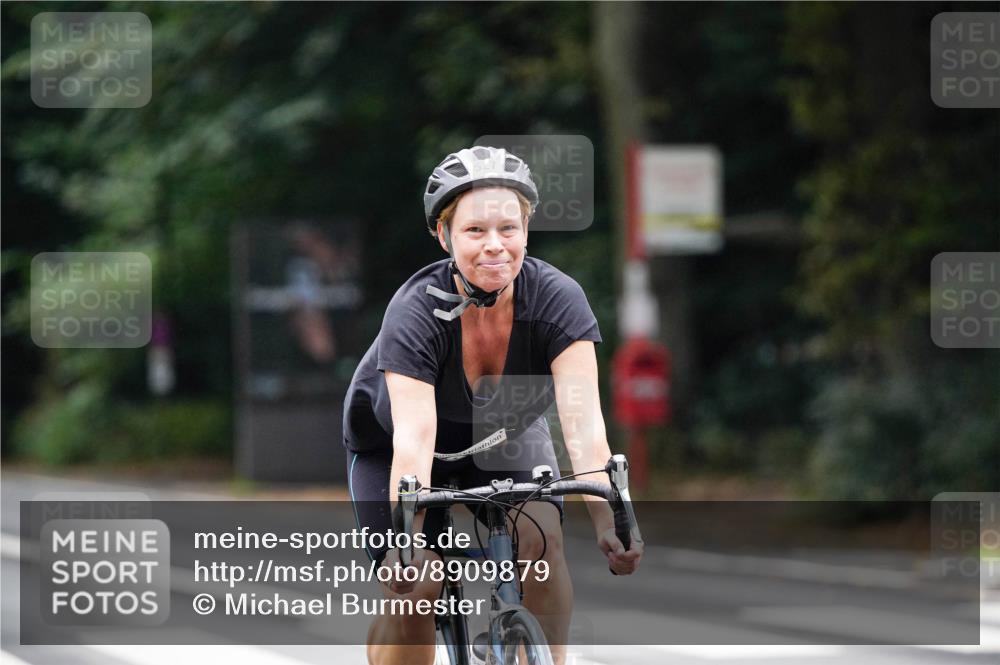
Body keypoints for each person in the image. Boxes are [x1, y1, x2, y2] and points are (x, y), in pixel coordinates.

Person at [343, 146, 643, 665]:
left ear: (526, 230)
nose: (494, 246)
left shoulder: (558, 300)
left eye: (508, 228)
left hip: (504, 434)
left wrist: (608, 521)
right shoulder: (414, 312)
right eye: (475, 230)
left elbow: (583, 428)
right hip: (399, 450)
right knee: (419, 586)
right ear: (444, 236)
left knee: (542, 545)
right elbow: (414, 440)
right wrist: (404, 542)